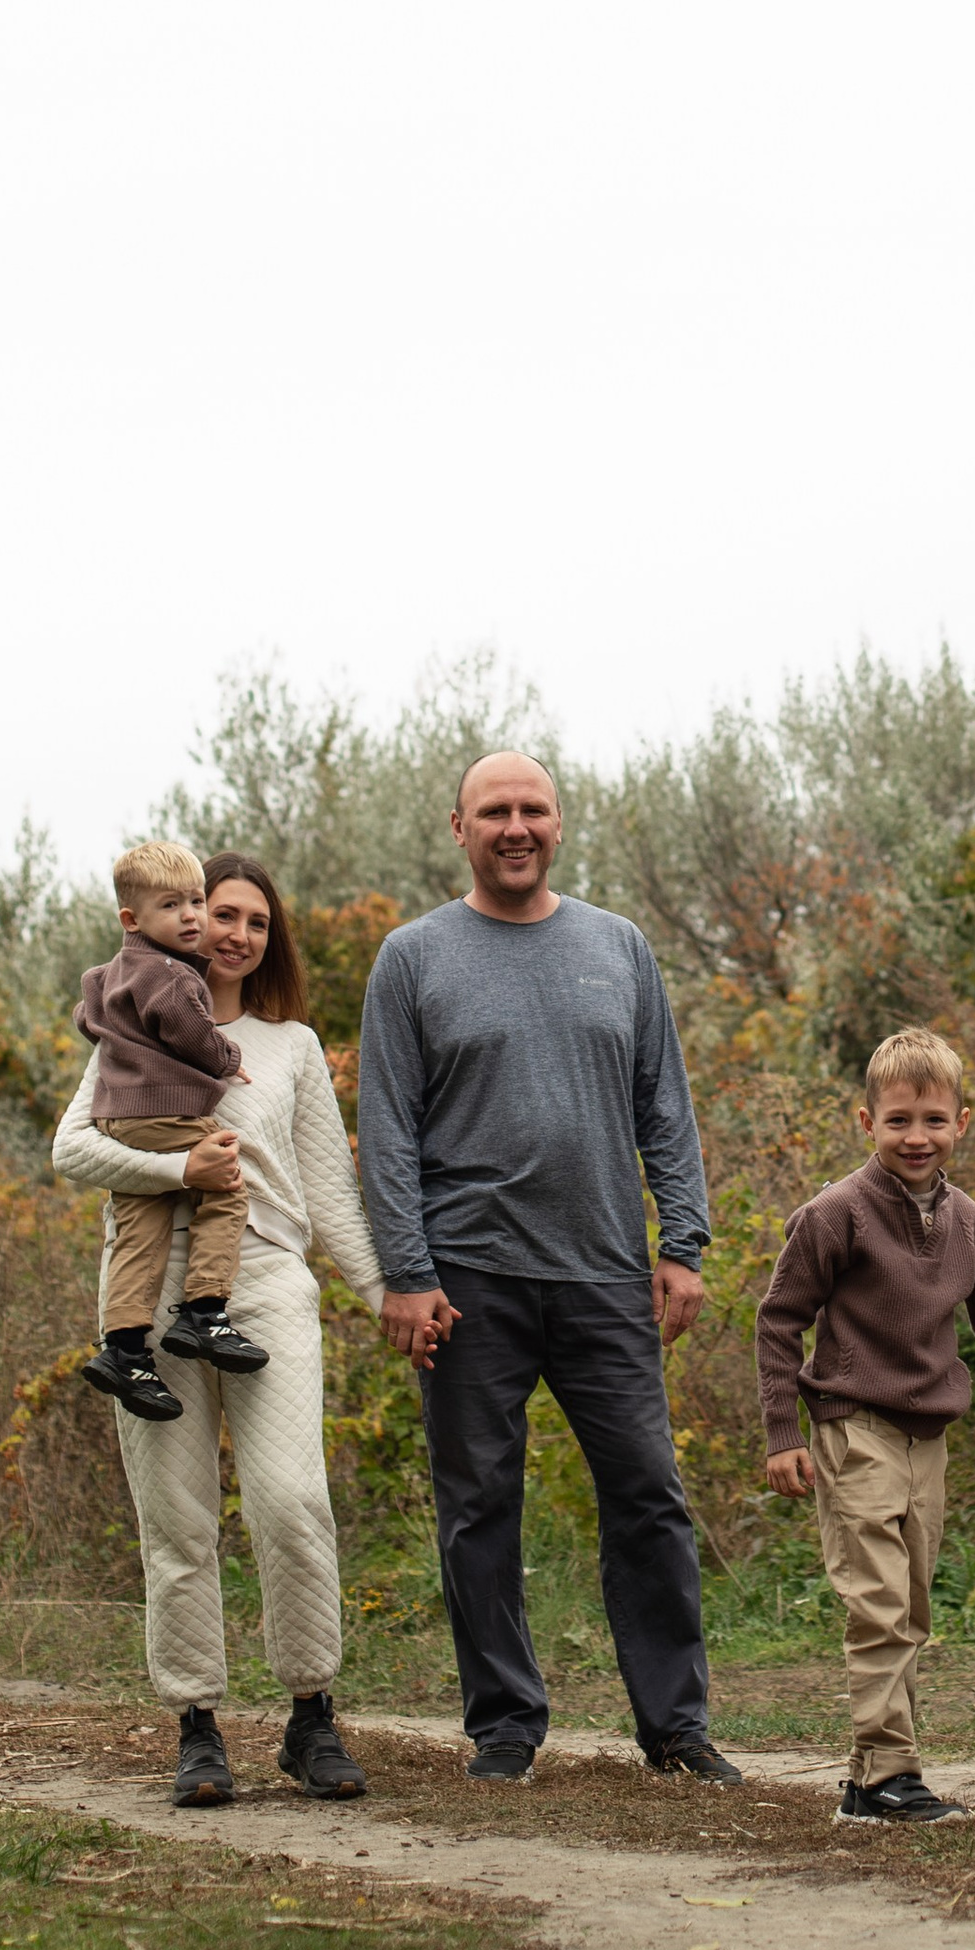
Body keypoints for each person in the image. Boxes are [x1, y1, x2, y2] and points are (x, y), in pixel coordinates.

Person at [357, 749, 737, 1787]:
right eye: (493, 812)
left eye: (532, 810)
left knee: (649, 1496)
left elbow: (665, 1103)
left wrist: (682, 1246)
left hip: (606, 1272)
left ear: (558, 824)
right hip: (466, 1280)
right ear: (458, 828)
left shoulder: (618, 947)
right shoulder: (413, 957)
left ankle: (675, 1728)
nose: (514, 828)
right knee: (478, 1505)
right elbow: (385, 1128)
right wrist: (405, 1270)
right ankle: (505, 1728)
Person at [54, 853, 384, 1811]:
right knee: (179, 1522)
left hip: (271, 1284)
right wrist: (179, 1177)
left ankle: (311, 1713)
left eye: (253, 920)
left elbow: (327, 1194)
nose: (234, 932)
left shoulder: (290, 1046)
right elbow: (73, 1146)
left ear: (269, 936)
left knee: (291, 1505)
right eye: (217, 913)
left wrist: (386, 1296)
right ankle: (197, 1727)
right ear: (181, 921)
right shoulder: (133, 1029)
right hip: (153, 1296)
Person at [755, 1025, 975, 1824]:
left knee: (912, 1605)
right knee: (880, 1600)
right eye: (898, 1120)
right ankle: (893, 1770)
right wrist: (783, 1433)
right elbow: (778, 1320)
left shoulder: (971, 1225)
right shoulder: (836, 1215)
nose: (916, 1136)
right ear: (867, 1123)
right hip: (852, 1426)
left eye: (933, 1119)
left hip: (927, 1437)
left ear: (963, 1122)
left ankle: (868, 1782)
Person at [74, 839, 267, 1418]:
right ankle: (205, 1312)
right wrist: (229, 1058)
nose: (191, 917)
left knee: (140, 1231)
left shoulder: (104, 975)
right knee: (229, 1192)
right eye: (172, 906)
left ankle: (125, 1350)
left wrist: (124, 1053)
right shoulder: (175, 978)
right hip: (166, 1112)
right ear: (133, 919)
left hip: (118, 1118)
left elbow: (88, 1017)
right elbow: (195, 1037)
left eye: (195, 902)